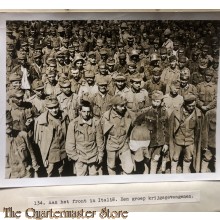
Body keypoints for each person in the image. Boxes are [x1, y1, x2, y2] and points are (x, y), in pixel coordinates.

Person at [65, 100, 104, 176]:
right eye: (84, 111)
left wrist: (100, 155)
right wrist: (76, 158)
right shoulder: (73, 124)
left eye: (88, 111)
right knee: (81, 183)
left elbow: (100, 141)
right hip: (80, 159)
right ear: (79, 111)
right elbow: (70, 144)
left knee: (94, 182)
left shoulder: (96, 123)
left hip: (93, 158)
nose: (86, 114)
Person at [34, 95, 69, 177]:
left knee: (62, 172)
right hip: (50, 154)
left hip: (63, 151)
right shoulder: (41, 121)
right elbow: (38, 141)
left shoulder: (64, 116)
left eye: (56, 107)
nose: (54, 110)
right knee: (49, 173)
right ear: (46, 108)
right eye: (51, 108)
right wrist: (43, 157)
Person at [100, 95, 134, 175]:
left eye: (124, 105)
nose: (124, 108)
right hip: (111, 146)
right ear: (114, 107)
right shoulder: (106, 117)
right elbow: (100, 134)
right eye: (121, 106)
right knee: (111, 166)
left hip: (124, 145)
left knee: (129, 168)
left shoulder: (127, 114)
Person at [137, 90, 169, 174]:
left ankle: (152, 175)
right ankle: (146, 175)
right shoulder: (146, 111)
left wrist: (166, 143)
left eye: (158, 101)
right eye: (154, 101)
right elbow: (137, 124)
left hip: (159, 142)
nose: (156, 103)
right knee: (146, 159)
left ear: (161, 101)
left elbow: (167, 129)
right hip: (148, 141)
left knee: (155, 159)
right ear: (151, 100)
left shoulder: (165, 112)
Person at [169, 94, 203, 173]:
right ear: (185, 104)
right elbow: (170, 127)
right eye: (189, 106)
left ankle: (185, 172)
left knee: (188, 158)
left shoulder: (198, 114)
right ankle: (173, 172)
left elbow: (199, 130)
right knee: (175, 157)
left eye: (193, 106)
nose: (191, 108)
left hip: (190, 141)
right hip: (178, 140)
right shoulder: (176, 112)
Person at [6, 110, 39, 178]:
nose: (7, 126)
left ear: (12, 122)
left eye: (9, 123)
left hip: (26, 173)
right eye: (4, 124)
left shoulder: (23, 135)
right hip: (10, 176)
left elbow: (31, 154)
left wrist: (36, 170)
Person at [201, 108, 216, 173]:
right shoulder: (210, 113)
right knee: (206, 158)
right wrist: (205, 144)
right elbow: (205, 130)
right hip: (211, 142)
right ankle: (202, 175)